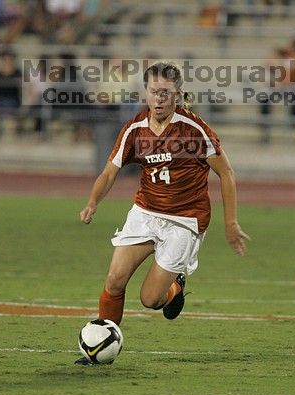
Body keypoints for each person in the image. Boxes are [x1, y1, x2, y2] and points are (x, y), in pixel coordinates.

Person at [75, 61, 250, 365]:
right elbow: (108, 173)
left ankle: (175, 284)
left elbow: (227, 173)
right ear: (146, 92)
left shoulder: (193, 129)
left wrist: (231, 223)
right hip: (146, 211)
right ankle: (100, 350)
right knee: (115, 280)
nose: (159, 99)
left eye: (166, 93)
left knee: (150, 300)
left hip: (185, 220)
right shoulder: (135, 129)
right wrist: (93, 201)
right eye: (154, 92)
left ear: (177, 95)